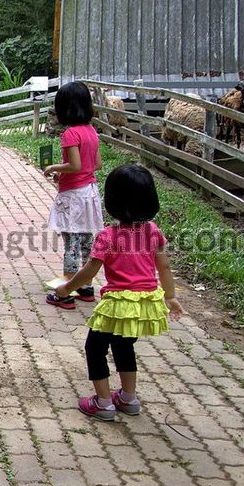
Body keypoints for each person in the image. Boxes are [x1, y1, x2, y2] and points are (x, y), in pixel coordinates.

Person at [55, 164, 184, 421]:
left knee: (95, 348)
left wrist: (66, 288)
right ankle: (128, 398)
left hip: (118, 303)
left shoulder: (108, 236)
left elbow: (89, 272)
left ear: (112, 199)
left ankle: (103, 403)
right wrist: (170, 296)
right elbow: (165, 266)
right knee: (124, 347)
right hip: (144, 304)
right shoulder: (153, 231)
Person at [43, 82, 104, 309]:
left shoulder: (70, 134)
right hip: (90, 193)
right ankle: (86, 287)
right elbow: (96, 165)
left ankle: (65, 292)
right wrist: (67, 173)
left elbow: (75, 165)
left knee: (71, 243)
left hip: (73, 197)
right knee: (88, 242)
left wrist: (54, 168)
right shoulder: (91, 131)